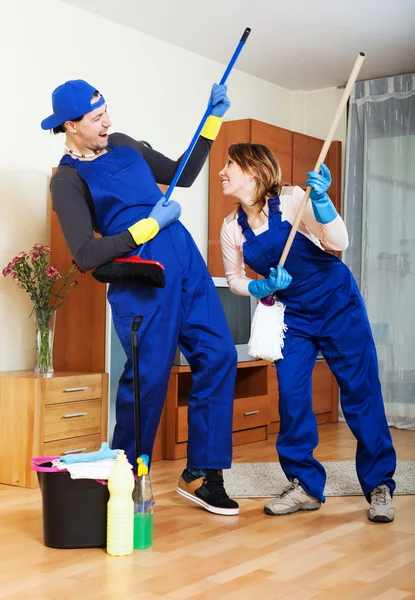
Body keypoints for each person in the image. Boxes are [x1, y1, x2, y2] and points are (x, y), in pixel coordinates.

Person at [42, 79, 239, 516]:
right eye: (96, 118)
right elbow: (85, 253)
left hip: (184, 258)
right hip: (142, 273)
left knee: (220, 355)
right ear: (70, 126)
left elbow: (183, 173)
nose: (107, 122)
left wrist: (212, 119)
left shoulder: (126, 144)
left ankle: (204, 476)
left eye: (106, 111)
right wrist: (144, 230)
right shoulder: (67, 181)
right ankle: (124, 481)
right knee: (147, 377)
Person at [219, 142, 397, 523]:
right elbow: (234, 280)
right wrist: (261, 288)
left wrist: (322, 201)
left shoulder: (294, 198)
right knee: (293, 397)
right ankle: (304, 484)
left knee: (360, 391)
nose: (222, 172)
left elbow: (339, 243)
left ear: (252, 171)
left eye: (229, 165)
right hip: (293, 316)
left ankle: (380, 483)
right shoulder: (231, 228)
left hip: (337, 303)